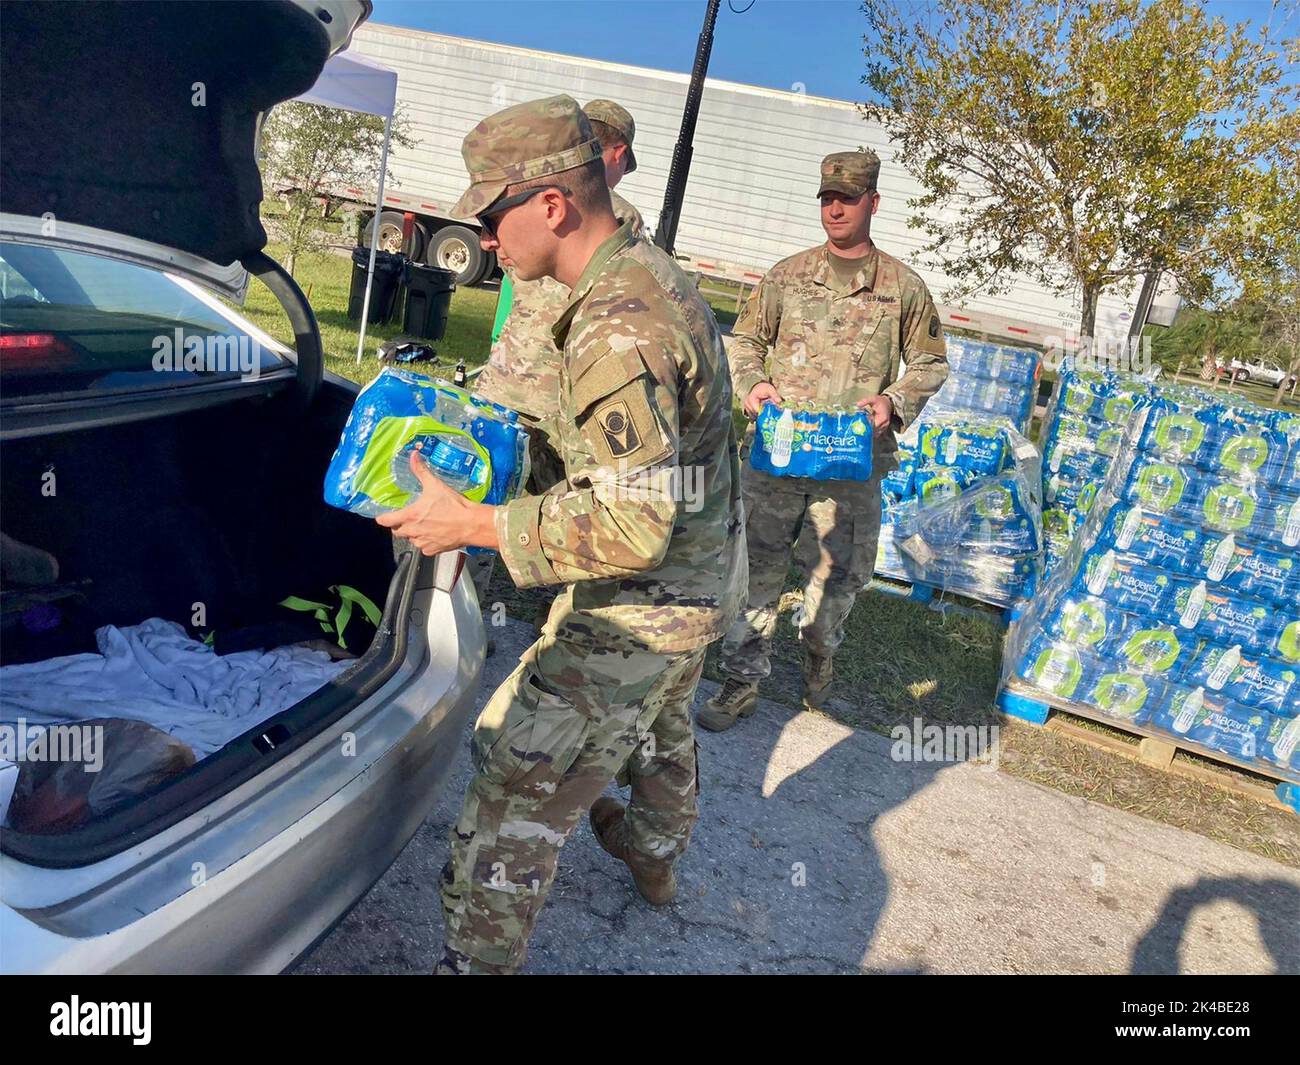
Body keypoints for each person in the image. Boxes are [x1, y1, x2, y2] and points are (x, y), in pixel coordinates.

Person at [376, 95, 746, 974]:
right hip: (689, 591)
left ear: (550, 205)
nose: (486, 238)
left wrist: (473, 522)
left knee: (516, 782)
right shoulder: (638, 278)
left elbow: (631, 519)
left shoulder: (618, 329)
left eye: (492, 215)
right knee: (657, 731)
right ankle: (654, 856)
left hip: (645, 603)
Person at [697, 148, 948, 732]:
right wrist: (754, 384)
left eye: (848, 199)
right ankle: (740, 682)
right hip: (775, 459)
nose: (836, 209)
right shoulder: (785, 277)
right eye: (828, 199)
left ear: (873, 203)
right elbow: (744, 343)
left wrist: (894, 402)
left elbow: (931, 363)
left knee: (831, 588)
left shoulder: (902, 289)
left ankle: (820, 651)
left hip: (849, 470)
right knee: (754, 575)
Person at [468, 98, 645, 613]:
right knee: (561, 504)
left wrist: (500, 349)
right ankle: (555, 609)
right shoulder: (619, 223)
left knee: (484, 488)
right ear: (613, 152)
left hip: (510, 383)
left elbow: (511, 300)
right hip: (550, 394)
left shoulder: (528, 215)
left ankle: (460, 607)